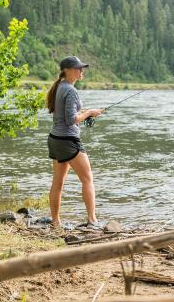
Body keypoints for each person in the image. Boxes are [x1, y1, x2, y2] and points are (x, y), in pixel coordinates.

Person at [45, 56, 104, 229]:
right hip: (68, 141)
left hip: (55, 140)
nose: (81, 71)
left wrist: (87, 113)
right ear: (68, 70)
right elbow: (71, 120)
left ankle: (55, 222)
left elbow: (65, 116)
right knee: (87, 179)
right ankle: (92, 221)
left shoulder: (59, 87)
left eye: (82, 68)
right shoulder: (70, 90)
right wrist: (89, 112)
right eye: (78, 68)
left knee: (58, 182)